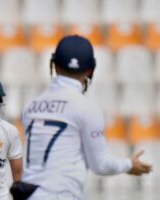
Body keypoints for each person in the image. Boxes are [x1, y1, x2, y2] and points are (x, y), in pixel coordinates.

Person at [20, 35, 153, 200]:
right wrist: (129, 164)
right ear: (90, 70)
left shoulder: (31, 107)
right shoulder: (86, 107)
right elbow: (100, 165)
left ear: (54, 65)